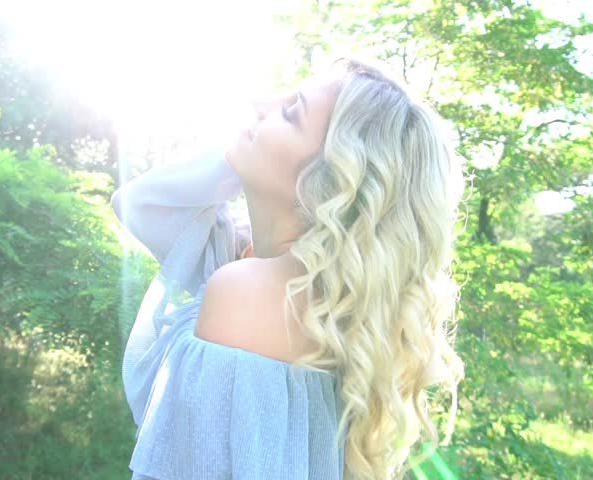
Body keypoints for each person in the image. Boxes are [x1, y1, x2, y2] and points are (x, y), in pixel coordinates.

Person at [110, 55, 466, 480]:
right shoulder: (301, 287)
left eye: (291, 112)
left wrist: (247, 149)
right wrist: (250, 149)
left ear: (332, 178)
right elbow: (140, 204)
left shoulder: (250, 292)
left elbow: (143, 203)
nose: (260, 102)